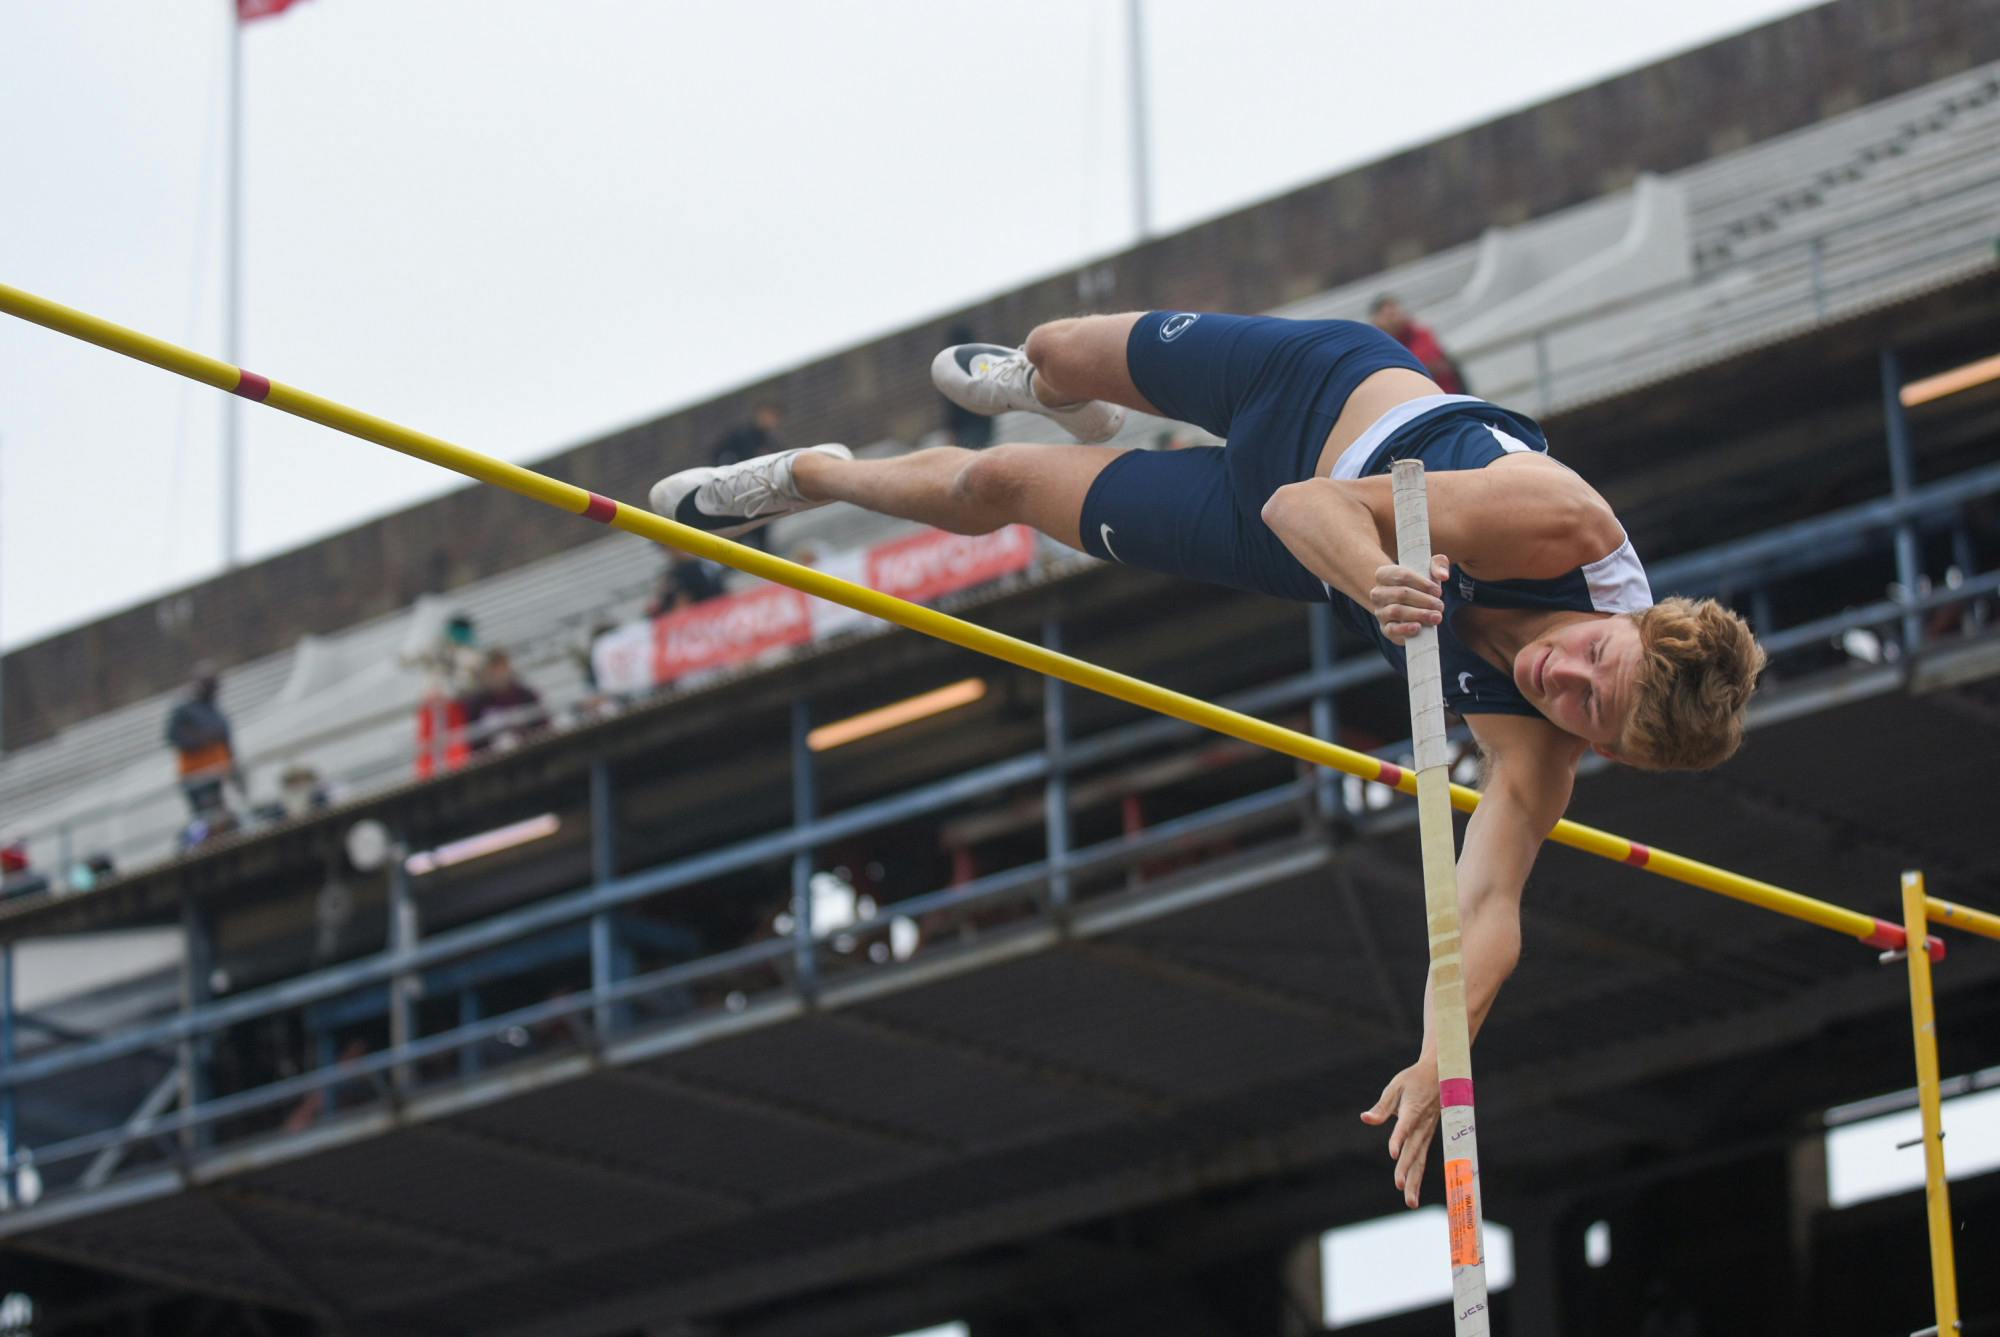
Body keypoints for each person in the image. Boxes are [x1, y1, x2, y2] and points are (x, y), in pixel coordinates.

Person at [652, 309, 1767, 1209]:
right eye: (1587, 660)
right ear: (1628, 619)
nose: (1555, 685)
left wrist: (1442, 1056)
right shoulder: (1552, 522)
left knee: (996, 494)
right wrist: (1381, 583)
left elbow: (1482, 906)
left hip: (1272, 545)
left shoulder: (1540, 750)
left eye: (1588, 717)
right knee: (1052, 347)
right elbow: (1307, 500)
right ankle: (1057, 398)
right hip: (1314, 394)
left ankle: (810, 474)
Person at [166, 662, 243, 821]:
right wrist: (201, 739)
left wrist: (232, 767)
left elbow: (226, 740)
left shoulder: (214, 708)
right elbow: (173, 737)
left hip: (218, 771)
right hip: (196, 776)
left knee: (223, 817)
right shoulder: (184, 708)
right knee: (207, 819)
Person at [1370, 294, 1468, 395]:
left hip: (1444, 394)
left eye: (1396, 313)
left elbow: (1427, 362)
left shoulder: (1420, 334)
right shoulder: (1377, 347)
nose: (1395, 319)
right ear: (1376, 320)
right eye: (1389, 316)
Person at [460, 649, 547, 754]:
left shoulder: (526, 695)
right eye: (494, 670)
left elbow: (543, 726)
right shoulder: (477, 704)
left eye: (502, 668)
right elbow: (474, 743)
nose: (499, 674)